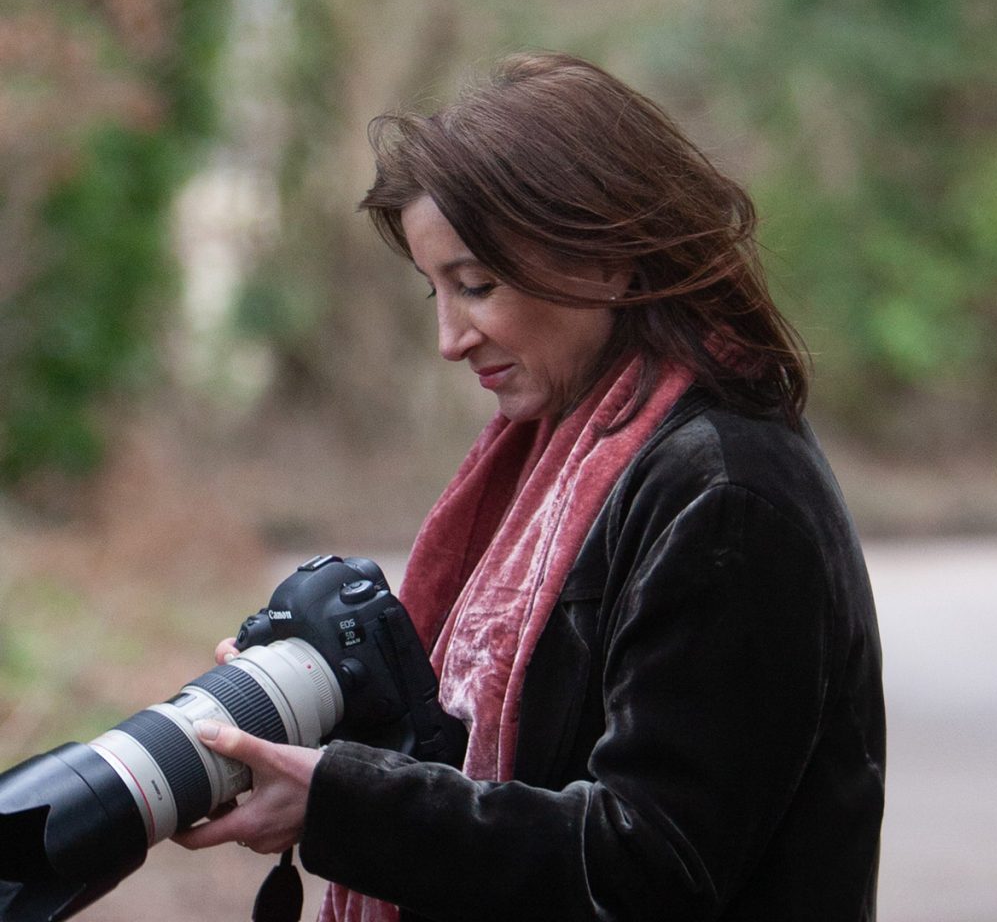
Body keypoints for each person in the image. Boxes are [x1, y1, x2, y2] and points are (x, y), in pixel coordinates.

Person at [175, 52, 886, 921]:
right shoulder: (571, 461)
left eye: (477, 285)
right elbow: (531, 761)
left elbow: (649, 866)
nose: (450, 338)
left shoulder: (726, 497)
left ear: (613, 257)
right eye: (435, 289)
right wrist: (319, 734)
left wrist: (349, 807)